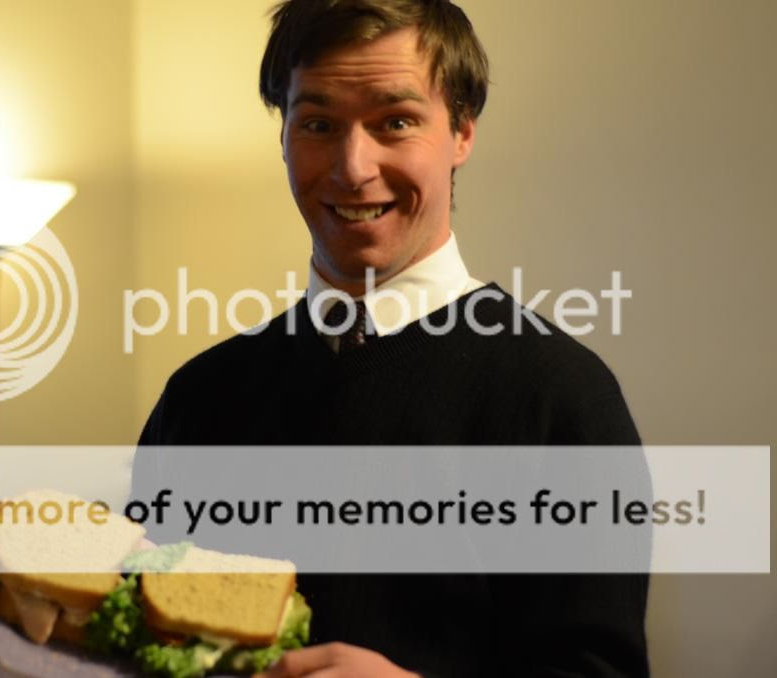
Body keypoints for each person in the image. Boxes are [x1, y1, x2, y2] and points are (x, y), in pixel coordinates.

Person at [137, 1, 649, 676]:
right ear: (283, 135)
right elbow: (136, 636)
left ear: (462, 132)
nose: (353, 167)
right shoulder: (198, 397)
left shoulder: (561, 395)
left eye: (395, 122)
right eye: (318, 124)